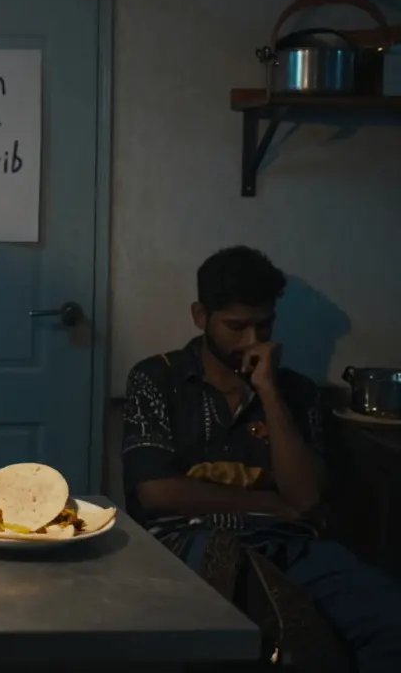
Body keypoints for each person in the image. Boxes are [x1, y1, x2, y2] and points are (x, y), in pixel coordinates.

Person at [121, 245, 401, 672]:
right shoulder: (158, 378)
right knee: (263, 614)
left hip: (291, 543)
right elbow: (156, 492)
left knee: (388, 619)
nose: (252, 341)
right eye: (237, 326)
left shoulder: (295, 391)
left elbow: (306, 499)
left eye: (264, 326)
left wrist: (268, 392)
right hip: (189, 539)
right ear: (201, 316)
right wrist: (269, 503)